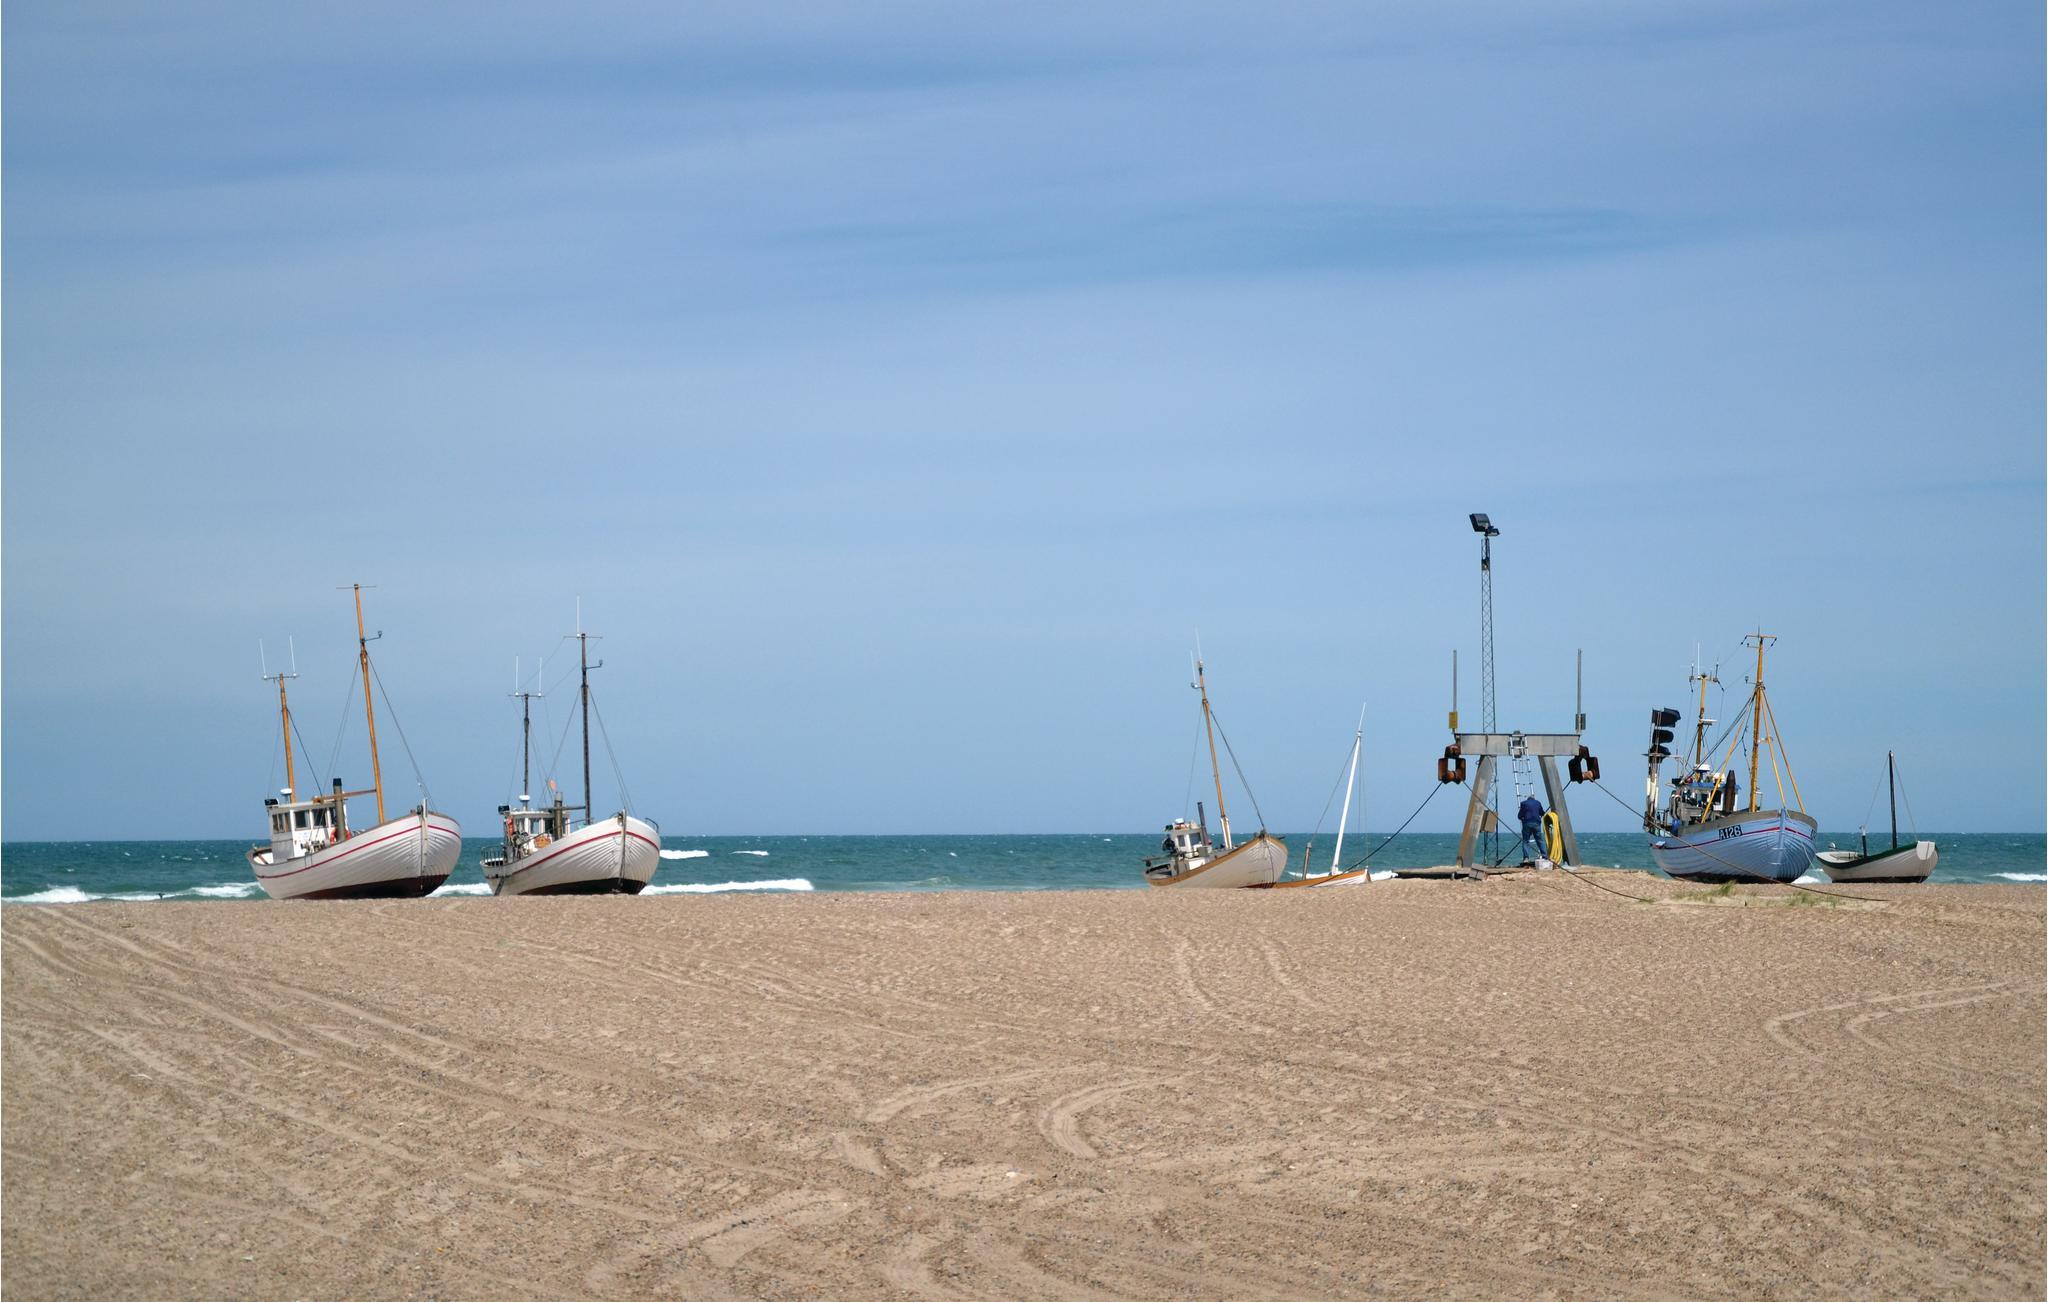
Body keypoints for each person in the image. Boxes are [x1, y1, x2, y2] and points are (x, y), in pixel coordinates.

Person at [1516, 794, 1545, 864]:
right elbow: (1542, 813)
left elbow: (1519, 816)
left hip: (1527, 824)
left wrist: (1522, 819)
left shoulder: (1523, 803)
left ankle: (1526, 858)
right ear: (1534, 798)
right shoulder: (1538, 803)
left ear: (1528, 799)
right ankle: (1544, 856)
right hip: (1536, 824)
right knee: (1539, 840)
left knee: (1525, 841)